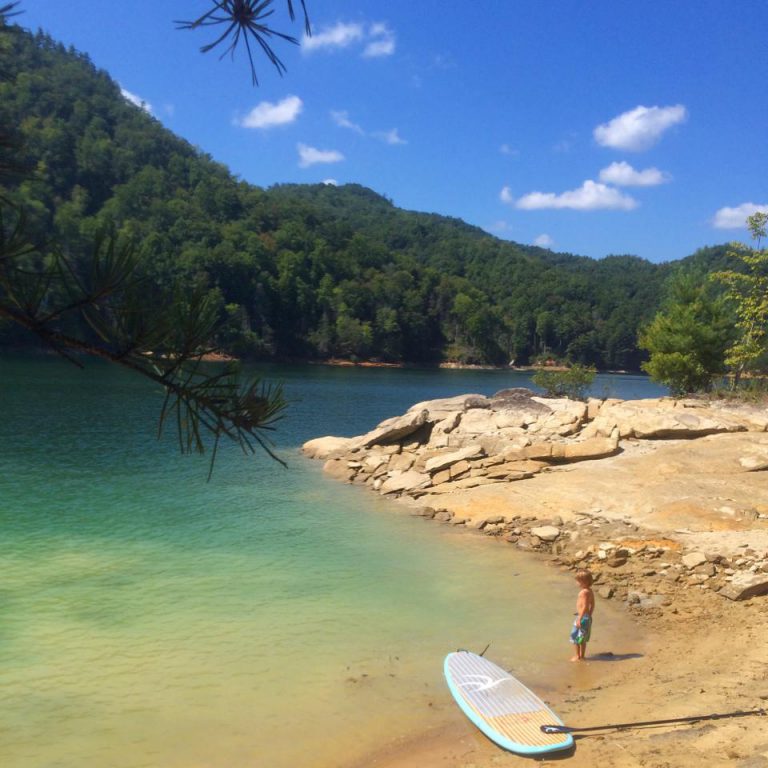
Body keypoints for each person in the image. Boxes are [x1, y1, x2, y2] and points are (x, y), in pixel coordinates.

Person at [570, 569, 595, 661]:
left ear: (584, 582)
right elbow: (592, 604)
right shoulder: (590, 591)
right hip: (586, 617)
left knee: (575, 637)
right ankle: (582, 656)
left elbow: (584, 606)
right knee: (582, 638)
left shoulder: (584, 592)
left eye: (578, 581)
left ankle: (577, 656)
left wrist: (579, 618)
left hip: (582, 618)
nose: (577, 583)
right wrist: (589, 615)